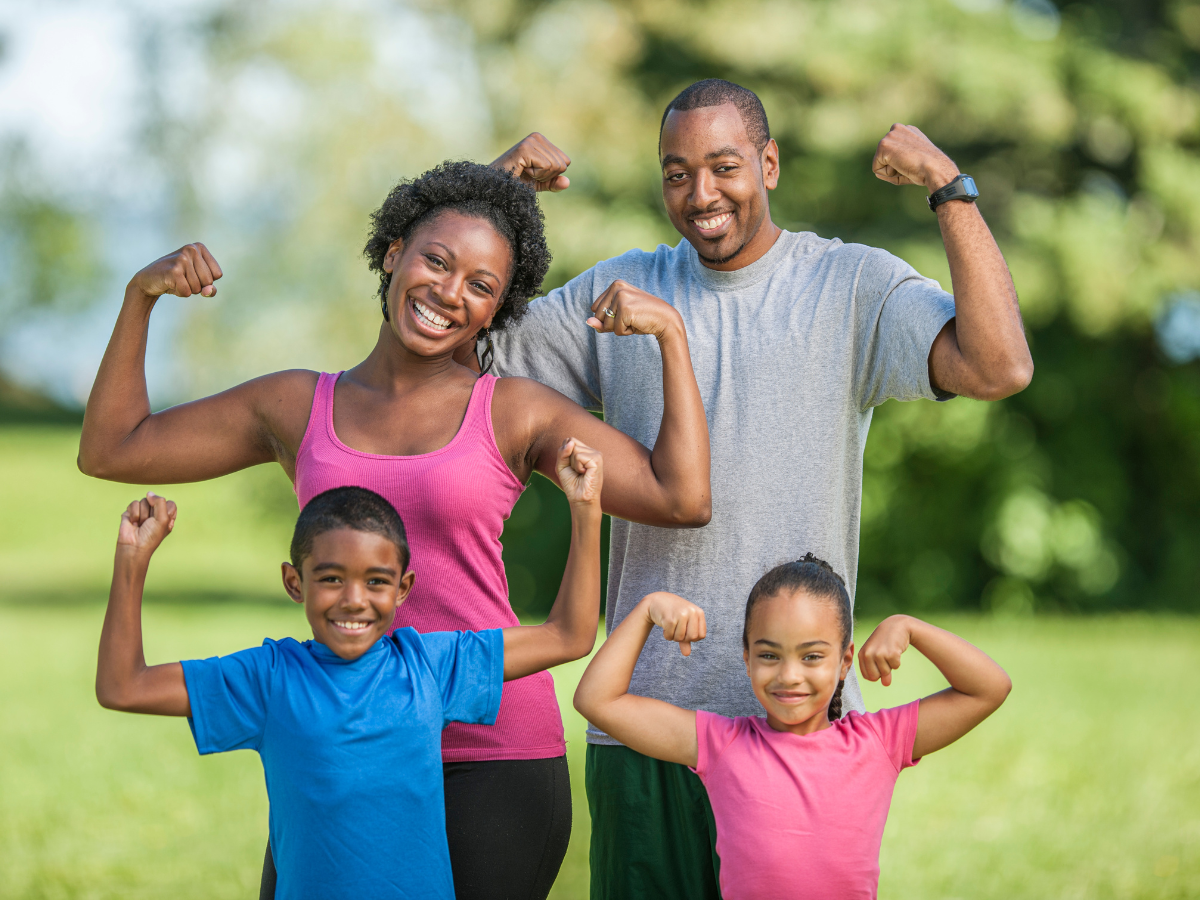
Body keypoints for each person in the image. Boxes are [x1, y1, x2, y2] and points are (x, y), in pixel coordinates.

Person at [77, 161, 711, 900]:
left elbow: (680, 496)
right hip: (339, 742)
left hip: (491, 751)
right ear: (392, 252)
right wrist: (140, 298)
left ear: (497, 309)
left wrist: (669, 336)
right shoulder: (293, 404)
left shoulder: (513, 410)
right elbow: (111, 448)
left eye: (481, 285)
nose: (449, 293)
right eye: (436, 261)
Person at [485, 79, 1033, 897]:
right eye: (676, 173)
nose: (700, 195)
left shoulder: (850, 285)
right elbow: (459, 353)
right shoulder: (620, 290)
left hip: (801, 735)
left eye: (724, 166)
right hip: (646, 726)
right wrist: (494, 201)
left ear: (769, 164)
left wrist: (946, 188)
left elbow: (1000, 365)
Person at [95, 434, 605, 900]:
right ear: (295, 583)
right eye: (332, 579)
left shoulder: (429, 667)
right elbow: (124, 687)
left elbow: (568, 635)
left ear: (403, 589)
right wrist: (131, 560)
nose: (355, 600)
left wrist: (584, 508)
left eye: (377, 582)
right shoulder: (269, 679)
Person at [573, 554, 1011, 900]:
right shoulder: (719, 744)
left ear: (844, 662)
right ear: (746, 658)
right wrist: (648, 609)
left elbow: (989, 688)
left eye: (812, 656)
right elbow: (597, 701)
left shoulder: (877, 742)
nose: (789, 675)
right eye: (769, 655)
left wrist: (910, 628)